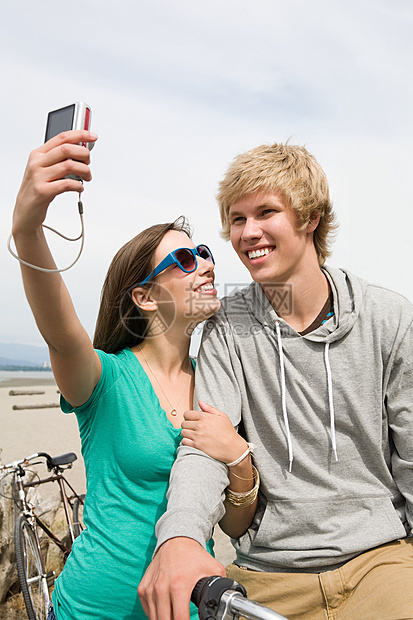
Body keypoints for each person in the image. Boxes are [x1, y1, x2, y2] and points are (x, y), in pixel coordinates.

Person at [139, 142, 413, 620]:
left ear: (310, 218)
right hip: (269, 573)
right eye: (238, 219)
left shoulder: (388, 318)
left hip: (381, 563)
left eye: (266, 212)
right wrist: (180, 537)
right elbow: (202, 447)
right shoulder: (229, 326)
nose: (249, 232)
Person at [10, 129, 258, 620]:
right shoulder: (107, 380)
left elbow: (232, 524)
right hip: (91, 609)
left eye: (205, 252)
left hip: (182, 609)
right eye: (184, 260)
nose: (205, 265)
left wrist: (240, 460)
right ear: (144, 297)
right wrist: (27, 227)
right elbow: (61, 333)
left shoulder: (219, 383)